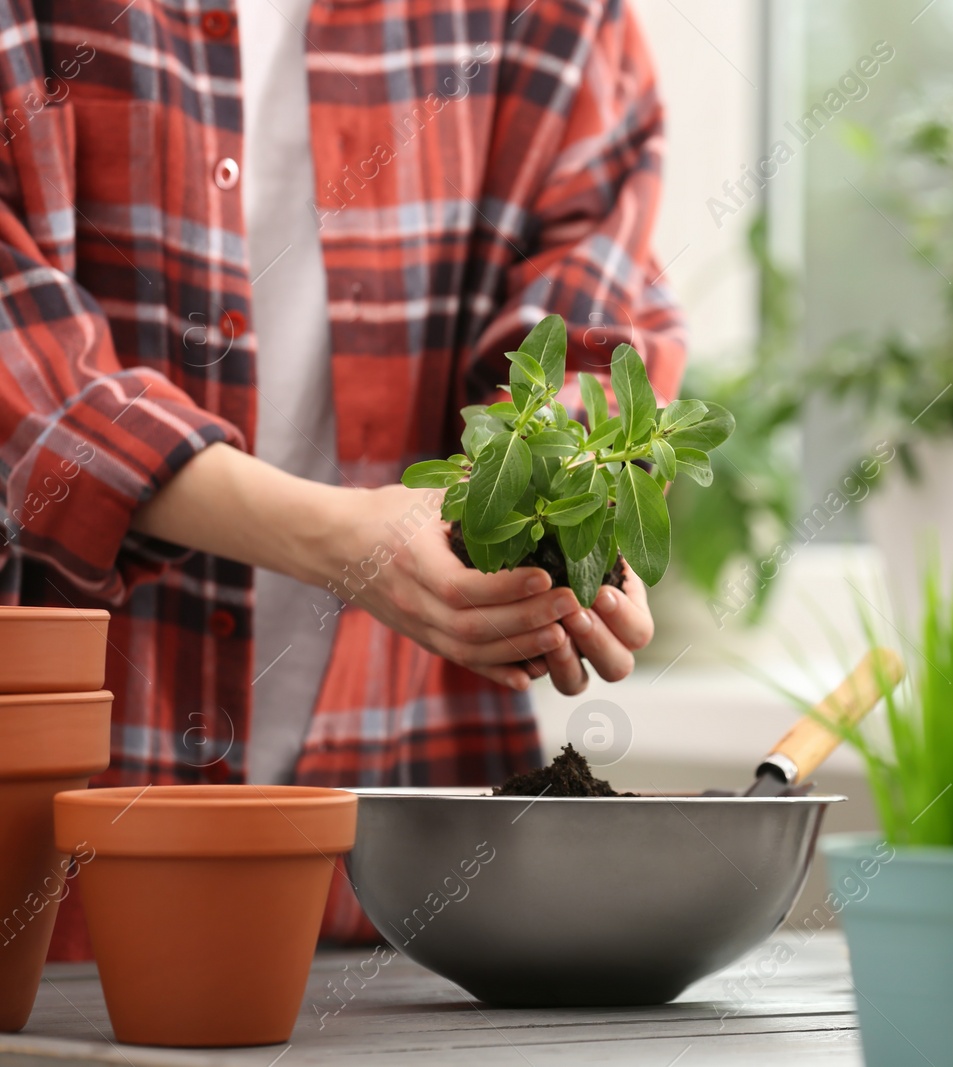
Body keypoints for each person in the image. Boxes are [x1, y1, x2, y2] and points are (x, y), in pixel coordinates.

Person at [0, 0, 680, 950]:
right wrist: (342, 540)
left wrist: (567, 516)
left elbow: (589, 296)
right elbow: (18, 354)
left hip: (406, 856)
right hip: (63, 844)